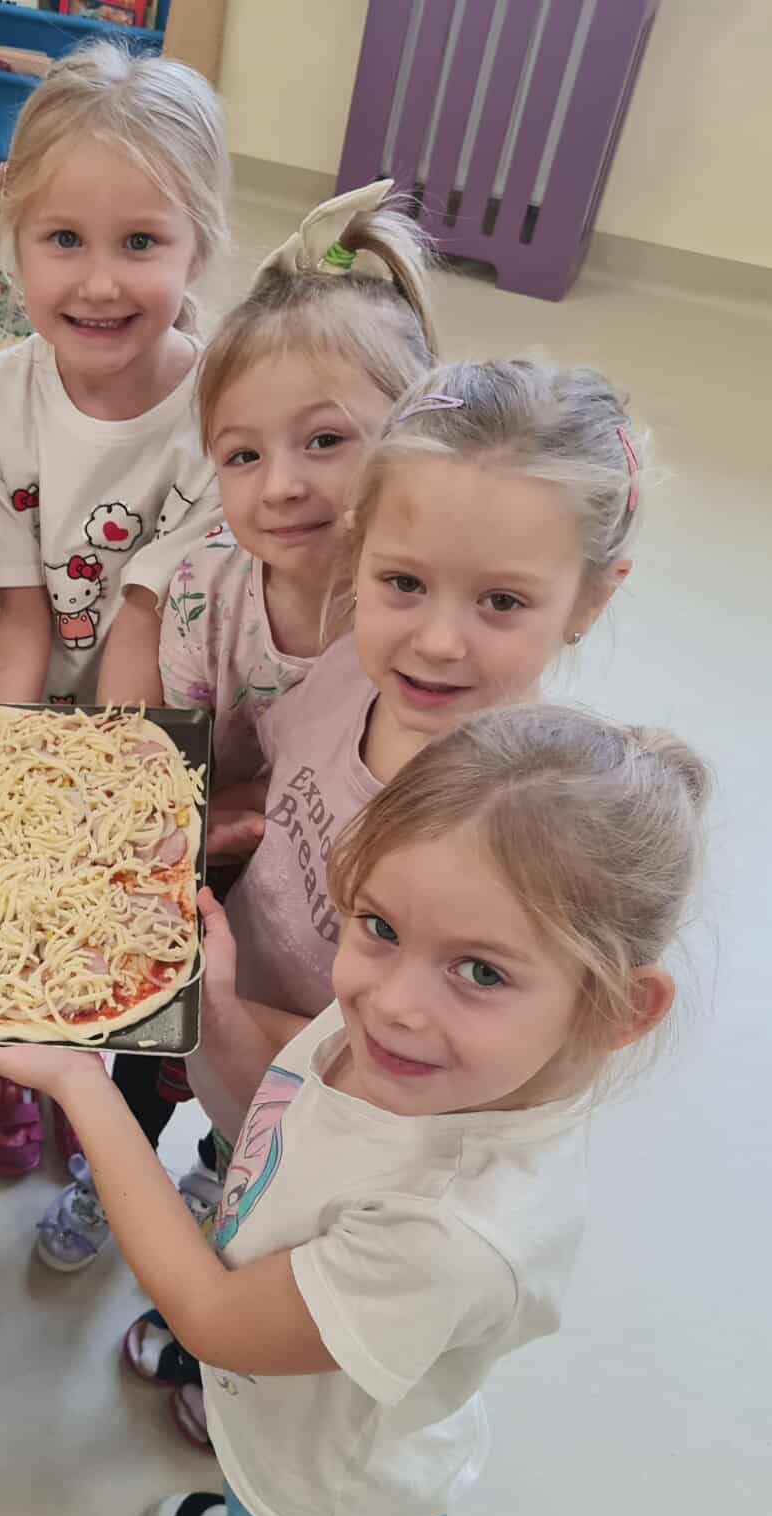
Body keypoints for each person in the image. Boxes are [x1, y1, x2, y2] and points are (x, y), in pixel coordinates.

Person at [0, 704, 710, 1516]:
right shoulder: (416, 1042)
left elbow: (214, 1319)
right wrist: (211, 1005)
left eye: (482, 973)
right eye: (379, 926)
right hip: (269, 1410)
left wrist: (81, 1082)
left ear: (619, 1009)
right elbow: (296, 1090)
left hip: (323, 1499)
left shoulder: (452, 1233)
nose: (391, 1004)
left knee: (263, 1515)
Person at [121, 356, 654, 1450]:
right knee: (230, 1183)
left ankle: (231, 1350)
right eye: (402, 583)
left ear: (592, 598)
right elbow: (287, 777)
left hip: (337, 1111)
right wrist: (230, 824)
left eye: (501, 601)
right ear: (358, 551)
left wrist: (222, 1028)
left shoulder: (517, 829)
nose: (437, 641)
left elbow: (409, 1080)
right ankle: (216, 1249)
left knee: (269, 1240)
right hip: (238, 1023)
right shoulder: (343, 674)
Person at [36, 179, 440, 1273]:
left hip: (324, 925)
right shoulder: (208, 591)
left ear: (413, 440)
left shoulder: (422, 631)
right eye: (242, 455)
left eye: (326, 441)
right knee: (148, 1061)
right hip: (207, 885)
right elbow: (170, 763)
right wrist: (212, 817)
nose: (281, 487)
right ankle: (110, 1178)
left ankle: (223, 1190)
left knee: (256, 1109)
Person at [0, 39, 231, 1178]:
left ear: (198, 239)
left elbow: (144, 627)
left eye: (140, 243)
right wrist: (1, 779)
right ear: (12, 230)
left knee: (115, 927)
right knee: (7, 916)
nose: (99, 283)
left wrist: (111, 801)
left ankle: (88, 1075)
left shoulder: (225, 409)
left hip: (152, 717)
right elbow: (16, 612)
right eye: (64, 240)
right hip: (26, 693)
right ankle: (9, 1067)